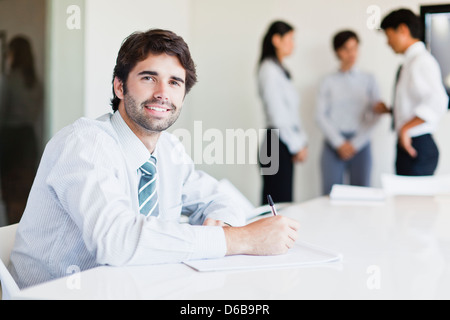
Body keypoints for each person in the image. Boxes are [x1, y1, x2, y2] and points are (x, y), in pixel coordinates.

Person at [9, 29, 300, 289]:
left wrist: (220, 224)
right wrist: (240, 239)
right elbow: (117, 241)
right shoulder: (85, 144)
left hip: (138, 287)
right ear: (119, 87)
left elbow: (222, 198)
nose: (163, 93)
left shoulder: (169, 150)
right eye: (149, 78)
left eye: (175, 83)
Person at [377, 9, 448, 176]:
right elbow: (415, 102)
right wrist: (391, 110)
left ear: (403, 30)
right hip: (410, 143)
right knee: (405, 200)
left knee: (412, 201)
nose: (388, 43)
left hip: (417, 145)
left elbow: (438, 101)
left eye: (389, 36)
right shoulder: (410, 63)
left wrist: (405, 129)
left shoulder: (421, 61)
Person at [316, 30, 383, 195]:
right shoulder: (327, 81)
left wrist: (355, 143)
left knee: (361, 194)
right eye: (346, 49)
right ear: (338, 52)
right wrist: (339, 143)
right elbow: (319, 115)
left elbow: (376, 115)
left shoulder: (369, 79)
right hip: (333, 144)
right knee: (329, 194)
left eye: (355, 48)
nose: (351, 53)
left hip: (360, 143)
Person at [257, 21, 308, 205]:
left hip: (283, 143)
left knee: (284, 204)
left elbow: (292, 114)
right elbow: (278, 116)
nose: (293, 44)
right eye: (290, 39)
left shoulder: (280, 70)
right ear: (276, 40)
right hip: (275, 143)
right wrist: (297, 145)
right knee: (277, 207)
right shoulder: (268, 70)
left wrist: (300, 142)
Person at [0, 36, 43, 224]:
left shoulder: (8, 81)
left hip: (9, 139)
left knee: (9, 194)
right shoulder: (36, 83)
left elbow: (2, 113)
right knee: (26, 193)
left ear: (14, 54)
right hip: (29, 139)